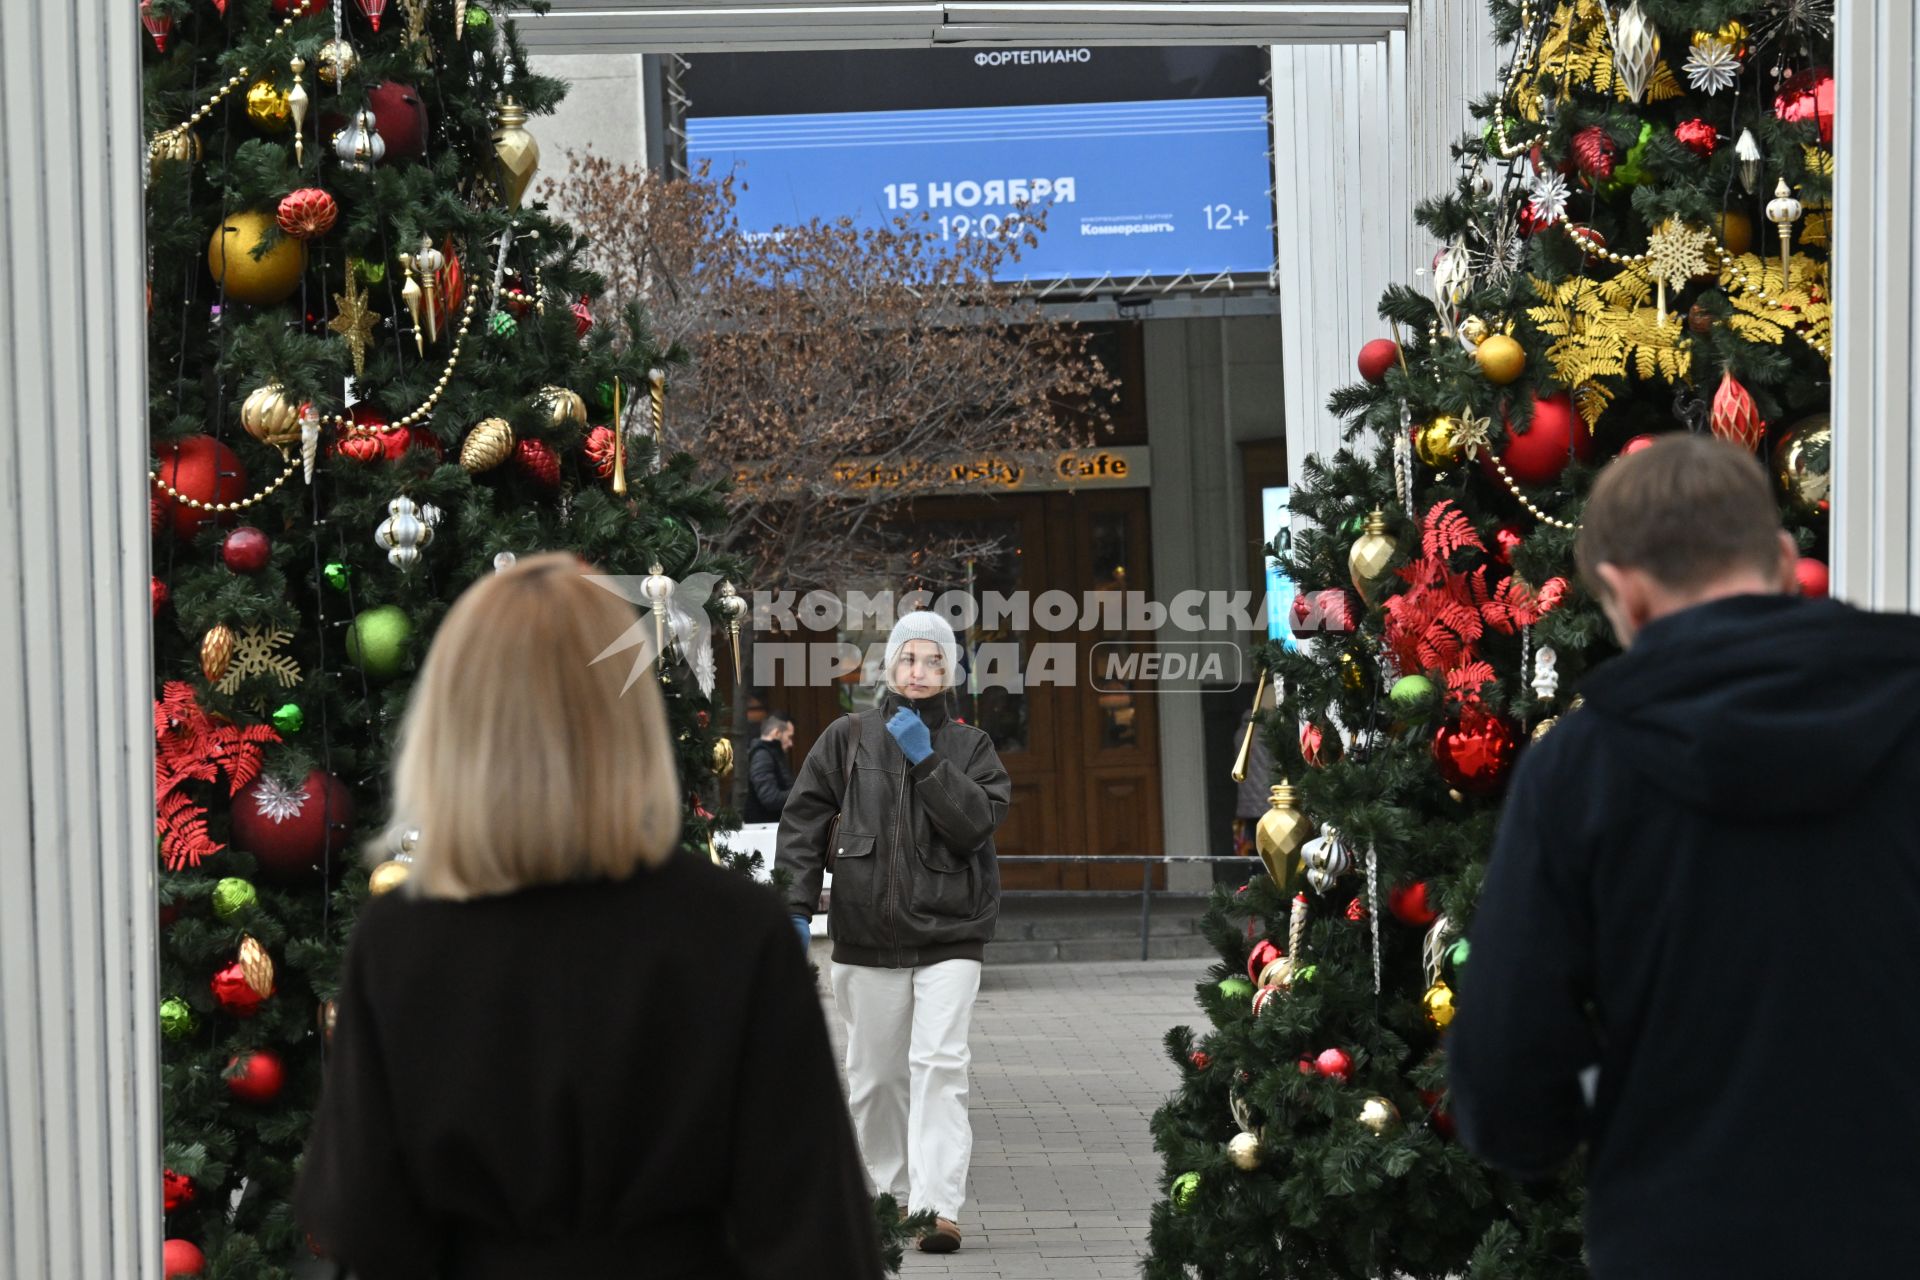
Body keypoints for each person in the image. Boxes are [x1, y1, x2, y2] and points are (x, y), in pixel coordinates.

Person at [294, 554, 883, 1280]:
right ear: (627, 713)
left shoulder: (403, 943)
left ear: (454, 723)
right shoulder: (733, 931)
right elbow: (814, 1232)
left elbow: (366, 1222)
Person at [1448, 437, 1920, 1279]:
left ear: (1622, 593)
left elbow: (1508, 1068)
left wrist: (1572, 1129)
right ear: (1782, 560)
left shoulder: (1580, 772)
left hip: (1683, 1237)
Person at [775, 610, 1010, 1255]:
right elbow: (802, 824)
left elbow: (972, 827)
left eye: (934, 661)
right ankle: (883, 1202)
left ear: (951, 672)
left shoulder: (972, 748)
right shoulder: (846, 738)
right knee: (876, 1078)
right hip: (865, 937)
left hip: (950, 936)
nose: (919, 672)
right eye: (909, 659)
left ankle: (936, 1208)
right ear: (889, 667)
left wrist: (926, 758)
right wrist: (795, 910)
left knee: (939, 1066)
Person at [743, 711, 796, 823]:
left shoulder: (769, 754)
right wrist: (800, 793)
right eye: (789, 737)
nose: (791, 743)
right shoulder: (762, 755)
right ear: (777, 733)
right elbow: (770, 798)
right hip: (764, 829)